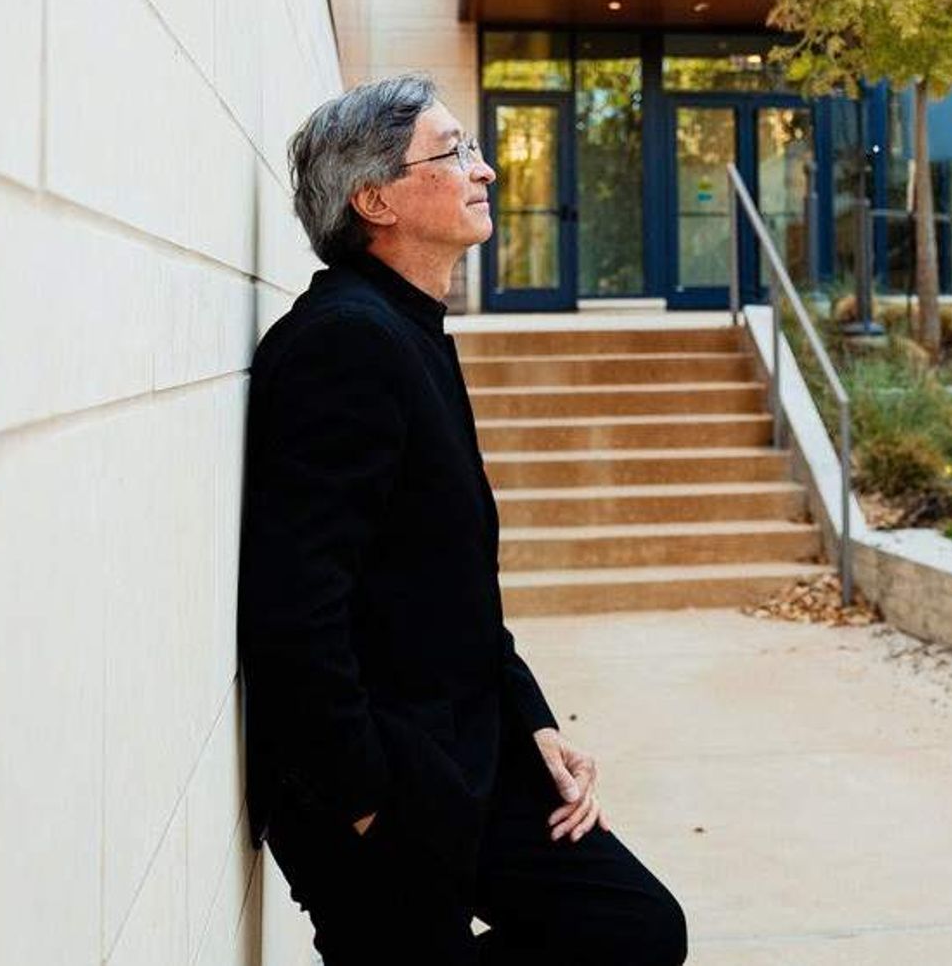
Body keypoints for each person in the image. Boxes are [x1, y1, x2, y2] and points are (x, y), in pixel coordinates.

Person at [239, 73, 689, 966]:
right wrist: (366, 798)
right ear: (376, 200)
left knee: (633, 928)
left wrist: (535, 724)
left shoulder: (409, 331)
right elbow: (295, 605)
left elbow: (451, 587)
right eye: (454, 153)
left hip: (466, 749)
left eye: (473, 148)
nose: (483, 171)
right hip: (378, 775)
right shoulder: (347, 344)